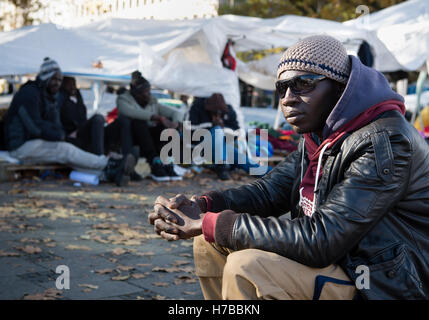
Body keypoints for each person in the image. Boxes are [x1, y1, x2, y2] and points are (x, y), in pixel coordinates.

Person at [149, 35, 429, 300]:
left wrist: (216, 223)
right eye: (281, 88)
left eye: (304, 83)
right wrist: (204, 206)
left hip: (376, 277)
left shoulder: (384, 140)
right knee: (208, 242)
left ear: (342, 88)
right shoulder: (322, 136)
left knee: (247, 267)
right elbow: (267, 193)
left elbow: (323, 239)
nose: (287, 98)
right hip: (340, 257)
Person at [3, 57, 137, 187]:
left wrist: (61, 135)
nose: (57, 83)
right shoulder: (28, 94)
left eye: (60, 80)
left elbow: (55, 125)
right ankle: (109, 163)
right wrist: (59, 136)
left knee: (69, 154)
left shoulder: (49, 96)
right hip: (19, 146)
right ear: (45, 77)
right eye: (54, 79)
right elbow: (35, 127)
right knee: (64, 150)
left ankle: (109, 173)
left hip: (37, 143)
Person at [105, 71, 183, 182]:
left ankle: (165, 163)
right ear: (137, 93)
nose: (149, 94)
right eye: (145, 91)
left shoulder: (152, 101)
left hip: (147, 138)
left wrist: (176, 122)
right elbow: (131, 112)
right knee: (139, 122)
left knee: (164, 129)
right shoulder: (123, 99)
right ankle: (154, 162)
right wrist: (157, 117)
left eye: (149, 90)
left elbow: (176, 113)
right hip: (130, 137)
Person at [187, 93, 267, 180]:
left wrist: (223, 128)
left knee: (239, 157)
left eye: (220, 113)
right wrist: (211, 125)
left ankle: (268, 173)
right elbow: (190, 130)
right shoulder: (197, 107)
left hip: (221, 148)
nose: (217, 114)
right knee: (217, 130)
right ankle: (222, 166)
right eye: (214, 113)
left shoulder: (228, 110)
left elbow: (237, 132)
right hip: (201, 146)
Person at [59, 76, 105, 155]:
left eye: (74, 84)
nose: (73, 87)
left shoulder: (78, 97)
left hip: (80, 130)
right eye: (69, 84)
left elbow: (82, 117)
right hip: (70, 132)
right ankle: (99, 157)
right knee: (98, 118)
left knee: (99, 120)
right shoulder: (60, 98)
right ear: (63, 85)